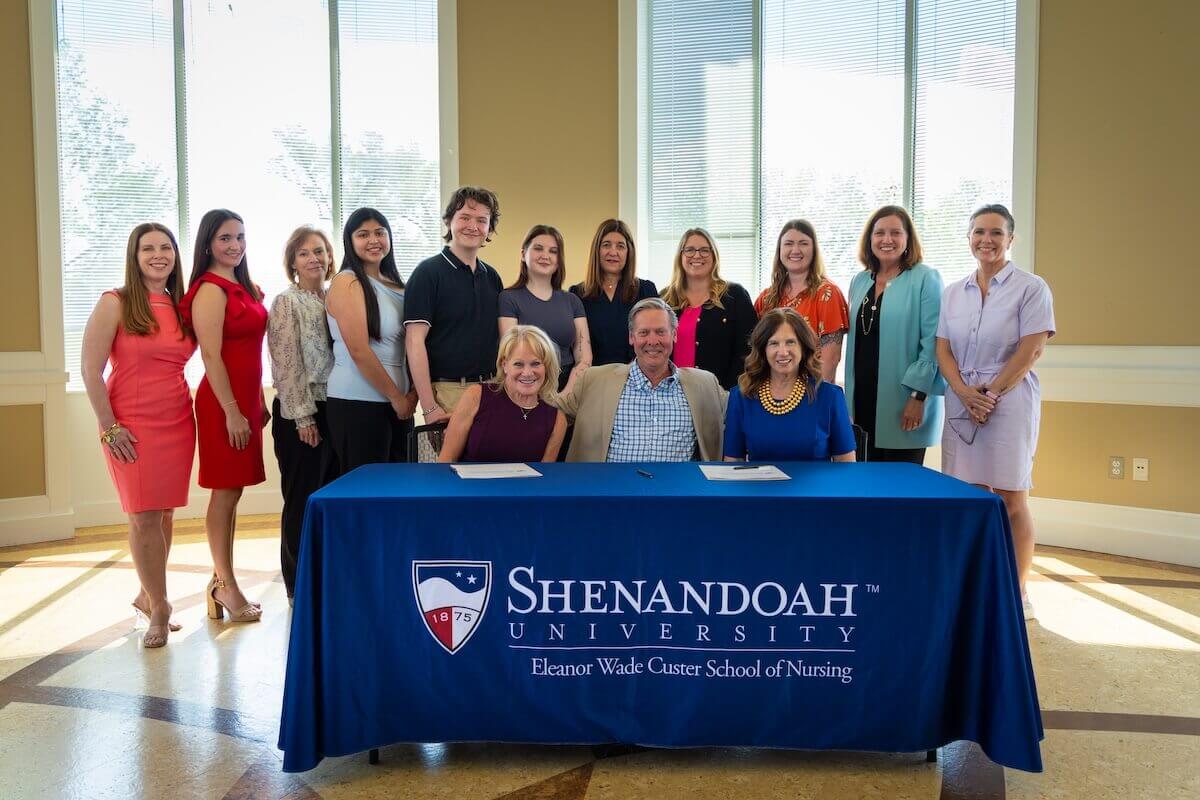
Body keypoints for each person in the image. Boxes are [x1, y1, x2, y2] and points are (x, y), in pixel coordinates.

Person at [936, 204, 1055, 620]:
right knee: (968, 496)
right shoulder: (953, 292)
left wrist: (991, 393)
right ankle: (974, 583)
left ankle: (1018, 591)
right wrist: (965, 393)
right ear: (969, 237)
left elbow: (1032, 348)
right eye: (978, 232)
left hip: (1010, 399)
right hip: (962, 398)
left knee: (1010, 497)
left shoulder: (1031, 288)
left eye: (996, 233)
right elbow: (943, 349)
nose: (986, 239)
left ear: (1011, 239)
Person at [80, 223, 196, 648]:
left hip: (178, 419)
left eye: (166, 247)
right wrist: (110, 427)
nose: (158, 255)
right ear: (135, 256)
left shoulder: (182, 305)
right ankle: (162, 608)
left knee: (164, 514)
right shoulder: (117, 302)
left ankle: (148, 594)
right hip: (128, 423)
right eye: (148, 248)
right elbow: (91, 370)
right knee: (143, 515)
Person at [180, 209, 268, 624]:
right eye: (225, 239)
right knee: (225, 492)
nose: (235, 246)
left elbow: (253, 351)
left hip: (246, 399)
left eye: (240, 237)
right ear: (208, 244)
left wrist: (258, 402)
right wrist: (233, 410)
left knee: (235, 493)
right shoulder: (210, 290)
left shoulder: (244, 285)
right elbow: (211, 355)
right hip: (222, 403)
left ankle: (222, 581)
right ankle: (225, 584)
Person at [556, 297, 726, 462]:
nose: (653, 341)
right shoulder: (594, 380)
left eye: (661, 332)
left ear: (674, 335)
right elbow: (550, 412)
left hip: (679, 489)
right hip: (608, 488)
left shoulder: (705, 384)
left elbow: (743, 409)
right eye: (644, 332)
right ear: (631, 337)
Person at [267, 225, 337, 606]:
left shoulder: (335, 299)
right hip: (301, 414)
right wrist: (303, 417)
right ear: (292, 262)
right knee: (301, 500)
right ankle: (297, 584)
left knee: (328, 497)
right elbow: (285, 362)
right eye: (305, 253)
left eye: (321, 251)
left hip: (336, 408)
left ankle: (326, 576)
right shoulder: (286, 302)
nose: (314, 259)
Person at [845, 206, 945, 464]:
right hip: (862, 399)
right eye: (879, 233)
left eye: (895, 233)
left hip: (904, 400)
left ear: (907, 239)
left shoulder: (925, 278)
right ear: (870, 239)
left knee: (900, 488)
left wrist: (918, 396)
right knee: (865, 486)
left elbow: (933, 342)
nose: (886, 240)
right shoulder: (860, 281)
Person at [325, 208, 418, 471]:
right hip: (358, 402)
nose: (373, 240)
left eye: (379, 232)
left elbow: (411, 346)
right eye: (363, 234)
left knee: (398, 490)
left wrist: (412, 395)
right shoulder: (347, 282)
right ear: (350, 242)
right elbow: (359, 350)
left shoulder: (399, 285)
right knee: (366, 492)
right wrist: (397, 398)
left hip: (399, 404)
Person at [404, 186, 504, 424]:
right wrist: (428, 407)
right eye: (465, 217)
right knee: (452, 462)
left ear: (489, 228)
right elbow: (414, 342)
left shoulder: (492, 277)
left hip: (492, 390)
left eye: (482, 220)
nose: (473, 226)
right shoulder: (427, 273)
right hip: (448, 392)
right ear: (449, 221)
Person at [723, 309, 856, 462]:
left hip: (816, 486)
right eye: (773, 343)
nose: (783, 352)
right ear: (763, 349)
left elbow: (847, 465)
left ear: (803, 346)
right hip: (760, 486)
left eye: (790, 342)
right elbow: (732, 463)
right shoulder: (741, 396)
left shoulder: (830, 396)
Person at [439, 325, 568, 463]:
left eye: (536, 364)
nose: (527, 373)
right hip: (468, 484)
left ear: (546, 367)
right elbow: (446, 460)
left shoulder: (557, 421)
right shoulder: (475, 396)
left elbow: (543, 478)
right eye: (518, 364)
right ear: (504, 365)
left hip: (525, 485)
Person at [499, 225, 591, 394]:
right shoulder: (508, 298)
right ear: (523, 254)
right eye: (538, 248)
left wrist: (565, 395)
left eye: (553, 251)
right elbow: (512, 355)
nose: (545, 256)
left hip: (569, 390)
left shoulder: (572, 300)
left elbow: (584, 358)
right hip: (526, 388)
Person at [660, 228, 756, 389]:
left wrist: (730, 393)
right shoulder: (664, 299)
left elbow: (750, 349)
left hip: (720, 395)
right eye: (689, 250)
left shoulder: (735, 296)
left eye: (704, 250)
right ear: (680, 256)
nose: (697, 255)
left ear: (714, 255)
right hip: (671, 397)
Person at [753, 220, 849, 381]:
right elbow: (756, 353)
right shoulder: (766, 298)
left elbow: (830, 360)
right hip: (770, 393)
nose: (795, 250)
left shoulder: (827, 293)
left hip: (811, 393)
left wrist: (816, 400)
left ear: (814, 250)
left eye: (803, 243)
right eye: (789, 244)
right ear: (780, 250)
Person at [569, 219, 658, 366]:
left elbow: (656, 339)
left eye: (620, 246)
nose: (613, 252)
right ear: (597, 250)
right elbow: (577, 348)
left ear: (629, 252)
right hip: (593, 378)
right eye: (606, 245)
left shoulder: (646, 290)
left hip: (638, 377)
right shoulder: (577, 294)